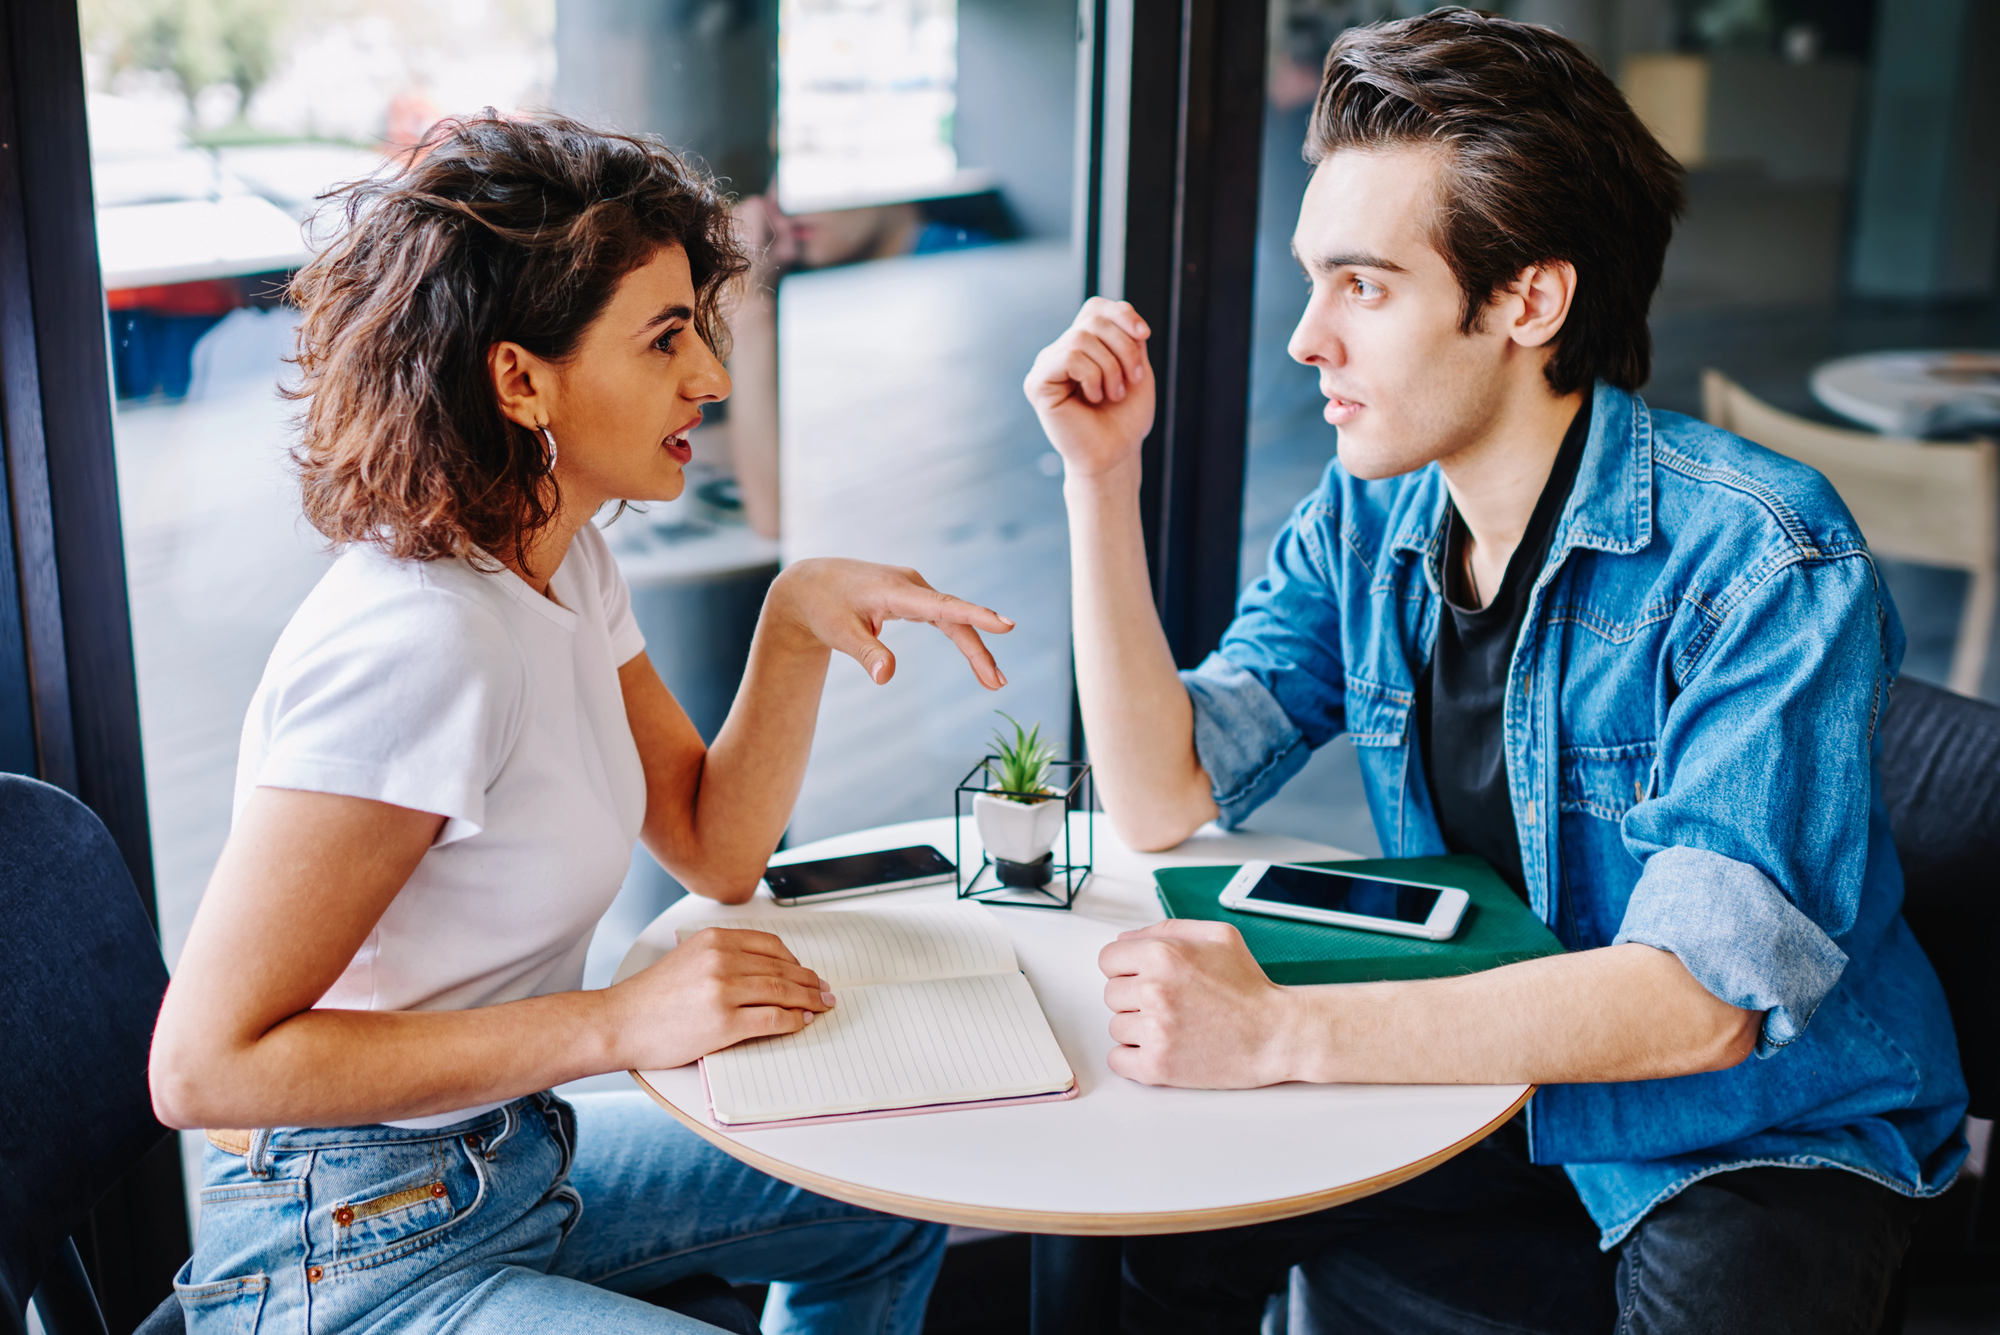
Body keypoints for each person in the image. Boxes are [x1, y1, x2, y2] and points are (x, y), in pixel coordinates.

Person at [1023, 11, 1966, 1333]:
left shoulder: (1763, 554)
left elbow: (1697, 1008)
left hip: (1754, 1127)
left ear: (1528, 296)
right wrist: (1099, 480)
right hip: (1486, 1073)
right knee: (1171, 1222)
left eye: (1364, 284)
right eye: (1314, 279)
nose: (1306, 337)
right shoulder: (1376, 514)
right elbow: (1163, 792)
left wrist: (1285, 1032)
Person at [148, 114, 1013, 1334]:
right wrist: (613, 1025)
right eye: (665, 341)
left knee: (896, 1195)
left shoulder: (564, 563)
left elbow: (714, 848)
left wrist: (795, 617)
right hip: (347, 1249)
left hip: (510, 1166)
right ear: (519, 377)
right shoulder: (420, 644)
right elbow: (205, 1069)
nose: (708, 377)